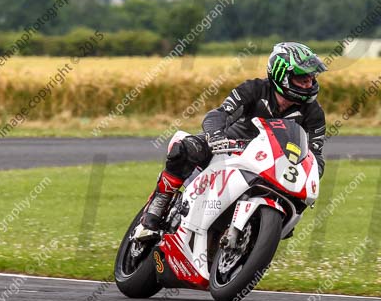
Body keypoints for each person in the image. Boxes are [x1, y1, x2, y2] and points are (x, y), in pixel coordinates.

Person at [140, 42, 328, 233]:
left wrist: (311, 173)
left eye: (311, 78)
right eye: (302, 79)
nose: (309, 84)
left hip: (274, 166)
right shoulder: (254, 89)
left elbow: (315, 155)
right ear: (282, 75)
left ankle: (253, 247)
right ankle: (161, 201)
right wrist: (216, 136)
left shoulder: (314, 113)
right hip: (230, 147)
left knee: (295, 208)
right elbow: (220, 114)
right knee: (185, 149)